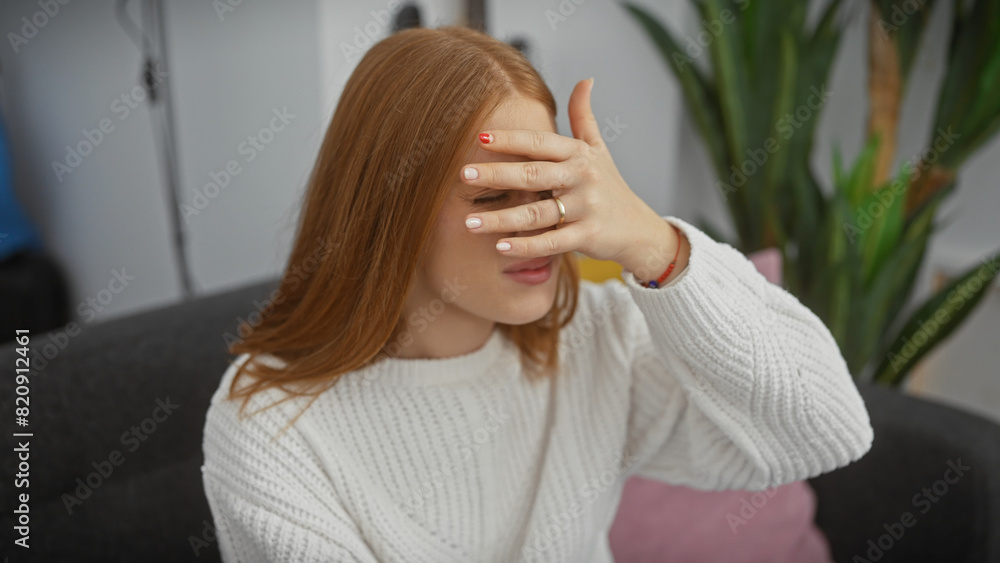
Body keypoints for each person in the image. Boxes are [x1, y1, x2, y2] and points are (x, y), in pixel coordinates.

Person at [200, 25, 873, 563]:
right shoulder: (269, 424)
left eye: (551, 189)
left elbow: (828, 429)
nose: (543, 228)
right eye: (495, 198)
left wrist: (658, 246)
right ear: (387, 209)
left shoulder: (593, 338)